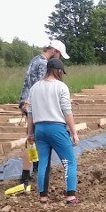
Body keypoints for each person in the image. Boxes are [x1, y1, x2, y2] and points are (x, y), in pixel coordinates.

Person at [26, 58, 81, 205]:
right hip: (56, 128)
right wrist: (74, 132)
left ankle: (43, 198)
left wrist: (30, 133)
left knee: (43, 162)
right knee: (69, 161)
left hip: (40, 129)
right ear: (58, 71)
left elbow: (30, 112)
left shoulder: (34, 88)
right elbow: (66, 110)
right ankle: (70, 196)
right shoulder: (61, 87)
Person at [17, 39, 70, 186]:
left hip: (27, 101)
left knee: (34, 138)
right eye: (59, 55)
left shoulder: (36, 59)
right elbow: (41, 88)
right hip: (31, 103)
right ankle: (26, 175)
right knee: (31, 138)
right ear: (54, 51)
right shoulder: (43, 64)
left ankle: (34, 170)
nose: (58, 59)